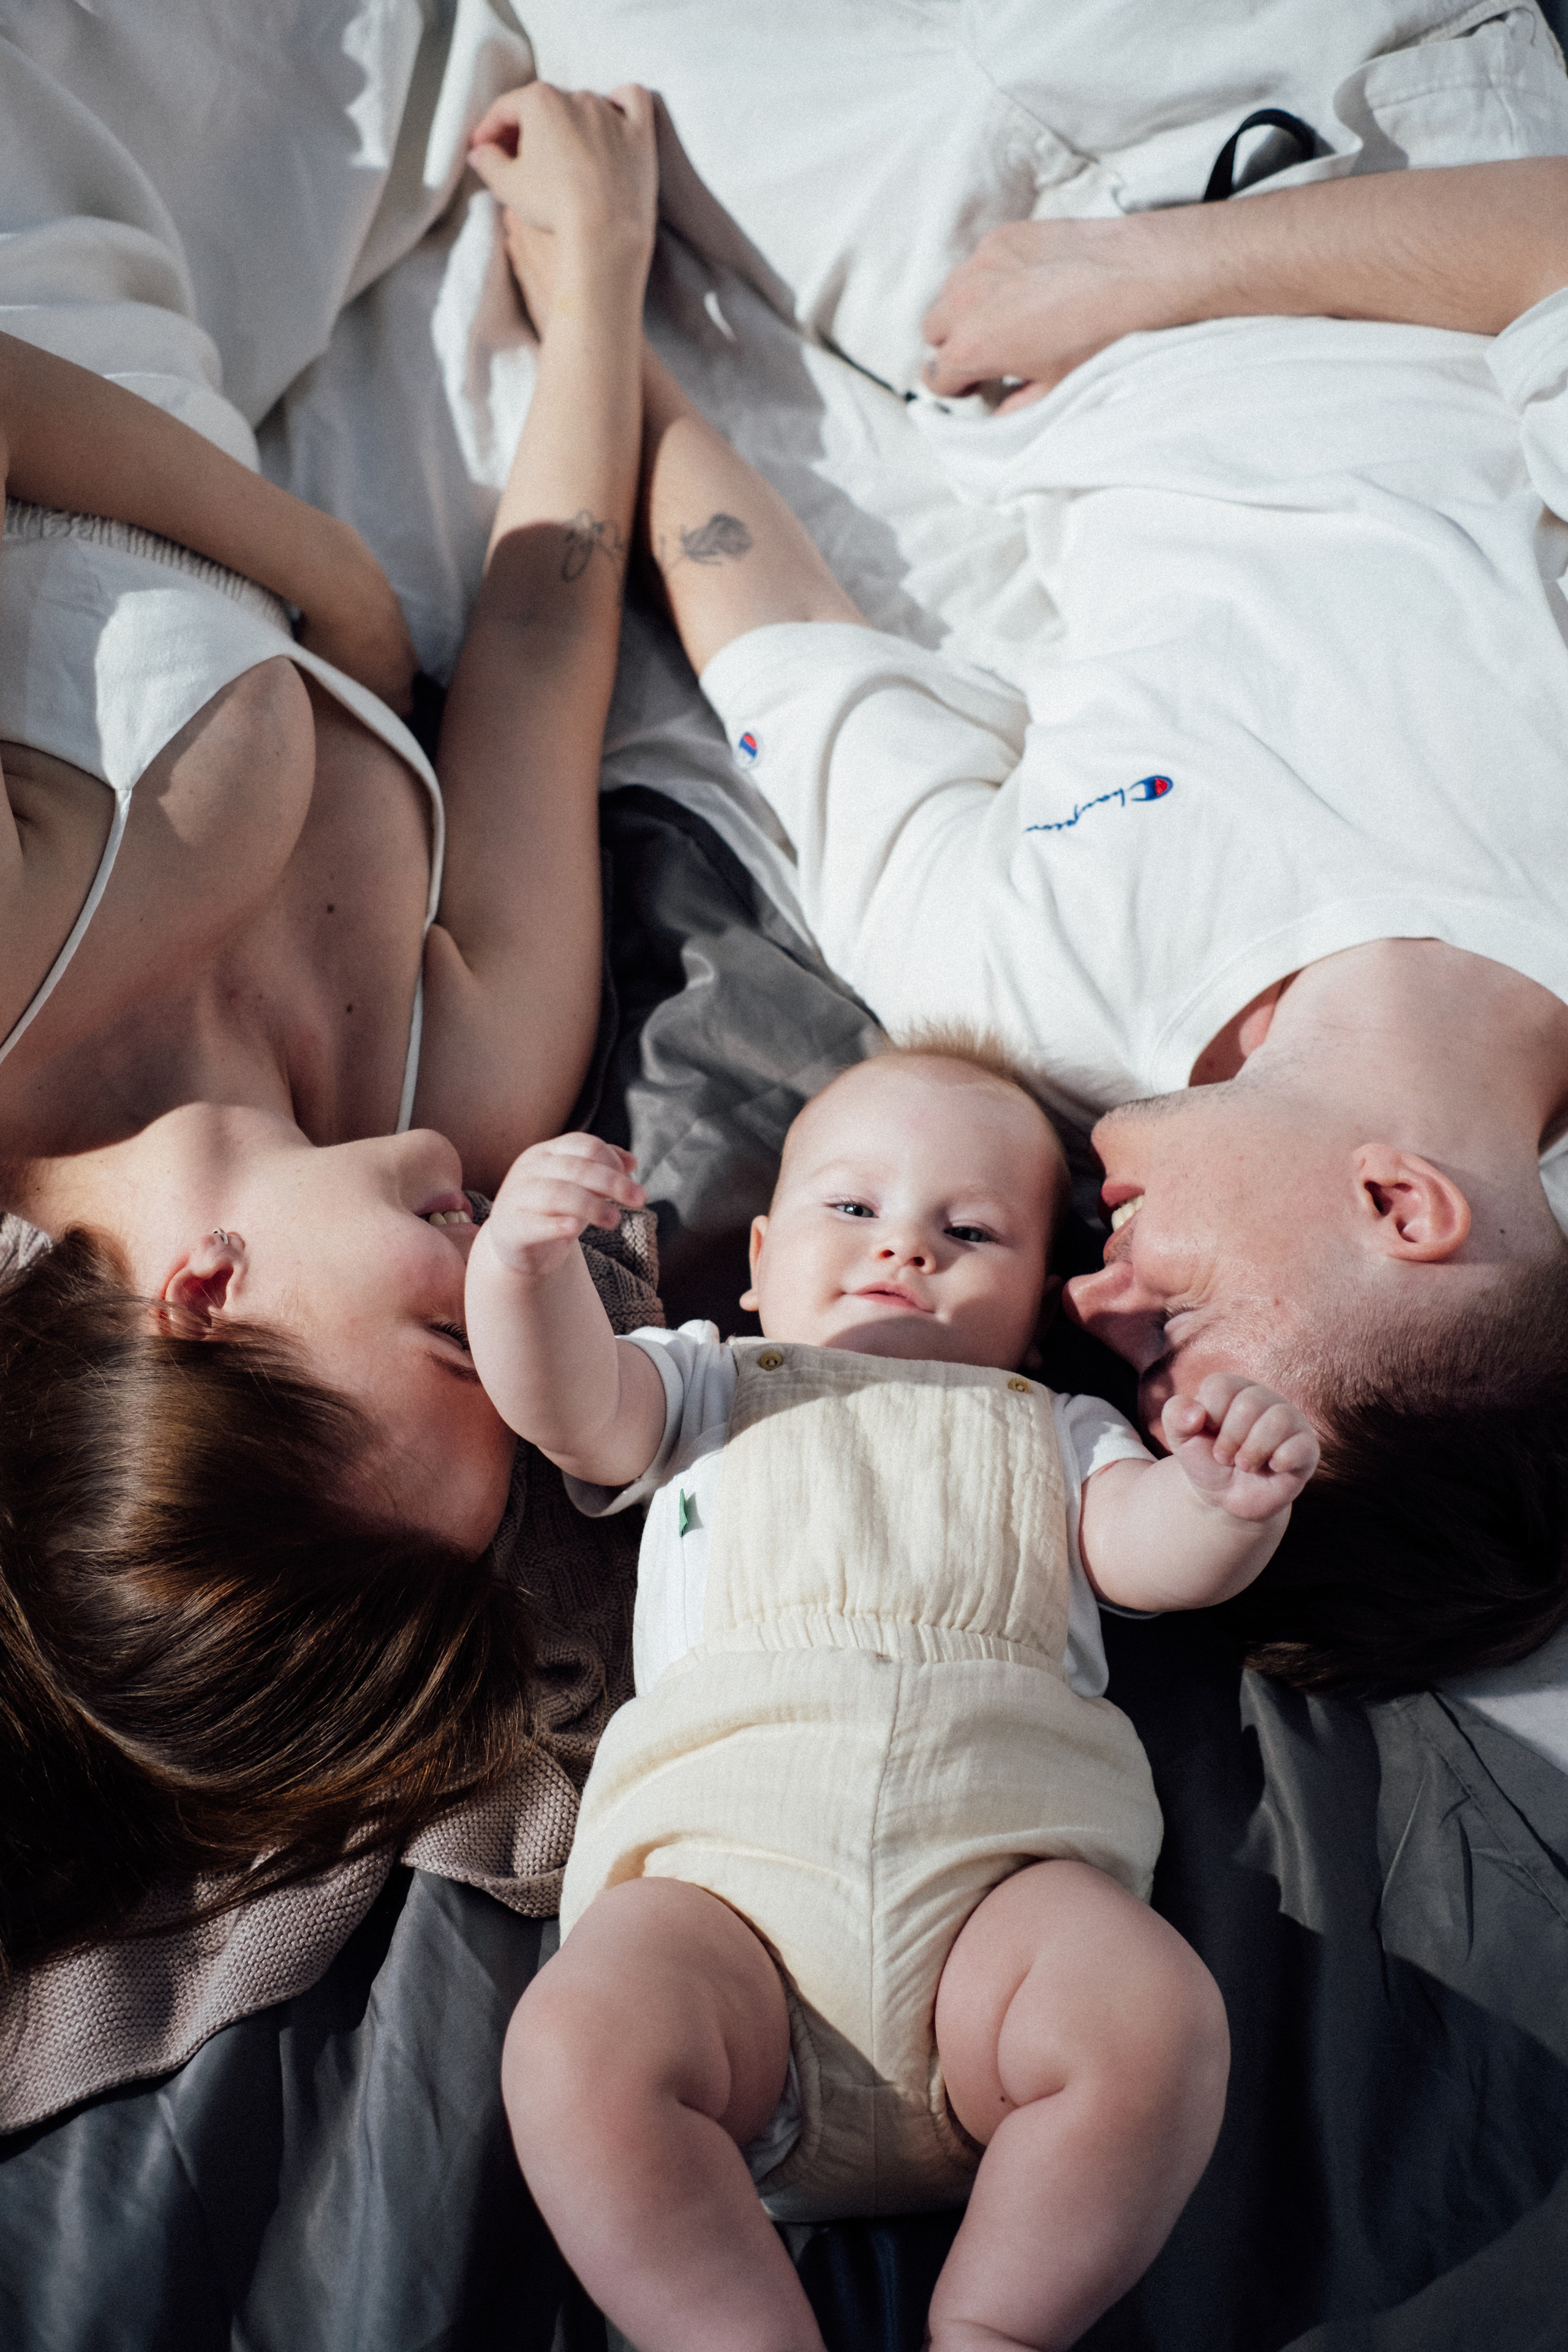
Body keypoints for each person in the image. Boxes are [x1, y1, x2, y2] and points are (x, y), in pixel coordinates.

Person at [507, 149, 1568, 1695]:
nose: (1083, 1296)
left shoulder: (1017, 1004)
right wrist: (1156, 266)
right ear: (1402, 1208)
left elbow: (780, 652)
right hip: (1292, 152)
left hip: (936, 288)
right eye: (1169, 1329)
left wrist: (590, 312)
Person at [0, 85, 658, 1970]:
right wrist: (600, 280)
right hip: (220, 241)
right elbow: (542, 643)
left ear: (199, 1296)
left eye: (450, 1333)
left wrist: (330, 579)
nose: (514, 1280)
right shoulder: (463, 1088)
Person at [464, 1041, 1319, 2352]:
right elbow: (568, 1404)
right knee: (574, 2048)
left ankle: (995, 2326)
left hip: (998, 1915)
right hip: (724, 1915)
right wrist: (521, 1270)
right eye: (851, 1208)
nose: (902, 1248)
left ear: (1034, 1307)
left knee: (1155, 2018)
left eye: (967, 1229)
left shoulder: (1052, 1431)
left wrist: (1222, 1500)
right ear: (754, 1263)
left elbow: (1152, 1555)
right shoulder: (698, 1389)